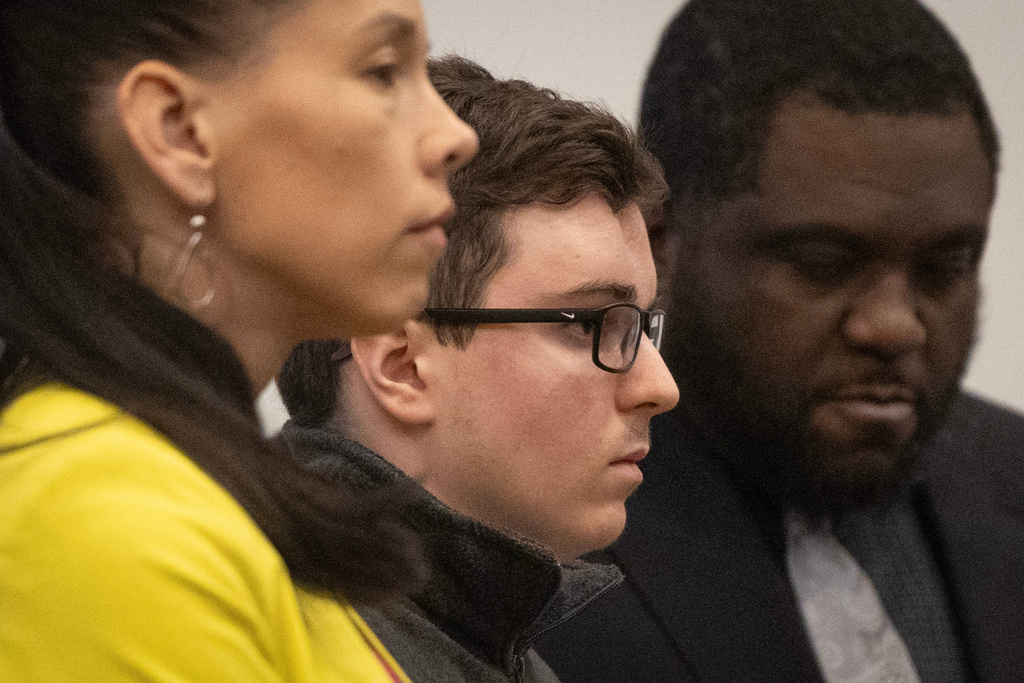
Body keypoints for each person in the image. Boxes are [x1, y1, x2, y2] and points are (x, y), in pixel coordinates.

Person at [535, 1, 1024, 682]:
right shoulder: (536, 550)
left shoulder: (1010, 474)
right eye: (824, 263)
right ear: (660, 246)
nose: (896, 326)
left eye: (946, 267)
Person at [0, 0, 477, 680]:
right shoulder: (108, 515)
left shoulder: (194, 485)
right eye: (381, 71)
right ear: (181, 131)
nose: (456, 136)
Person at [276, 55, 679, 683]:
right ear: (404, 367)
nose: (659, 387)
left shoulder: (499, 649)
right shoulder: (267, 643)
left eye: (640, 327)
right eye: (588, 325)